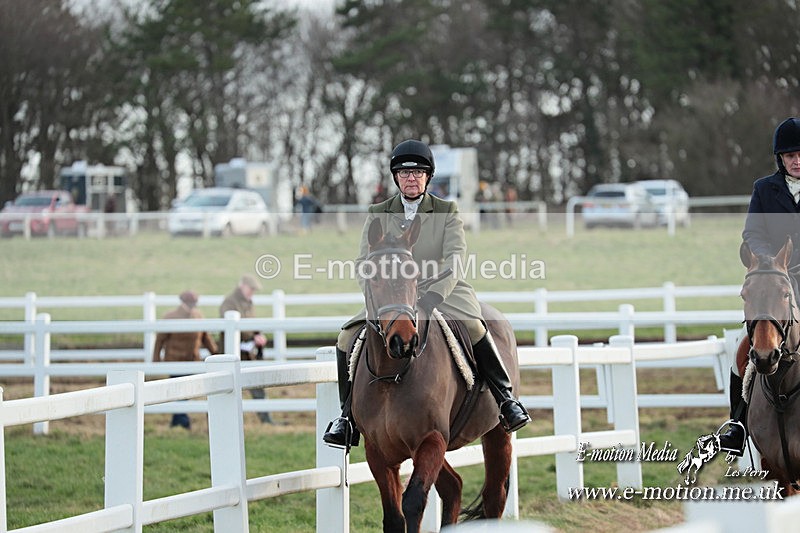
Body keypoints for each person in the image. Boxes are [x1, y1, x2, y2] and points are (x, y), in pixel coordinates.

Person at [322, 139, 531, 448]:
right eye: (405, 173)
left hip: (443, 290)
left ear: (428, 177)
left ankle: (505, 400)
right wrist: (377, 293)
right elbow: (363, 262)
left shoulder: (446, 210)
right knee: (345, 337)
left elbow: (455, 259)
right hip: (392, 297)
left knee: (474, 326)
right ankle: (347, 418)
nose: (411, 178)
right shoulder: (378, 212)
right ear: (395, 177)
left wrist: (433, 295)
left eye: (418, 173)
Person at [719, 117, 800, 456]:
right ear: (779, 158)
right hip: (775, 278)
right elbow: (752, 233)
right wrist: (769, 261)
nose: (796, 160)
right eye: (789, 154)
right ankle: (737, 425)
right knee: (744, 351)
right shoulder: (764, 189)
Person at [152, 290, 218, 430]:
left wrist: (216, 353)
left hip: (192, 360)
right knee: (179, 390)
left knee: (184, 390)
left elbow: (205, 337)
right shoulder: (170, 317)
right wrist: (156, 358)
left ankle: (178, 421)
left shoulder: (198, 316)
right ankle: (182, 421)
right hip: (174, 360)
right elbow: (160, 340)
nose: (192, 306)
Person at [220, 274, 273, 424]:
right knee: (226, 388)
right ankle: (223, 421)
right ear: (242, 285)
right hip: (233, 351)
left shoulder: (248, 302)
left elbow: (251, 323)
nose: (252, 292)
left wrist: (258, 335)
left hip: (247, 352)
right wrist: (252, 336)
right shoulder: (230, 302)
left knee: (256, 383)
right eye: (251, 289)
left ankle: (265, 419)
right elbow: (229, 324)